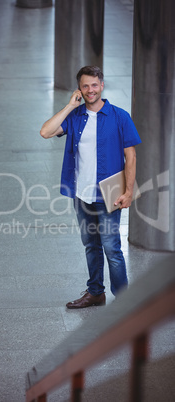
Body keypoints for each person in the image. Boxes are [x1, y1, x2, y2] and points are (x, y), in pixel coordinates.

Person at [40, 66, 141, 308]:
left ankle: (124, 302)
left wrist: (128, 192)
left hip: (109, 193)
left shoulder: (119, 116)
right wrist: (69, 106)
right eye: (85, 86)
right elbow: (45, 132)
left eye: (94, 85)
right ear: (80, 89)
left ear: (102, 86)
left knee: (111, 248)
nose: (90, 90)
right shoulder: (75, 117)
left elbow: (132, 157)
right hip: (81, 194)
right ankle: (96, 292)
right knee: (90, 245)